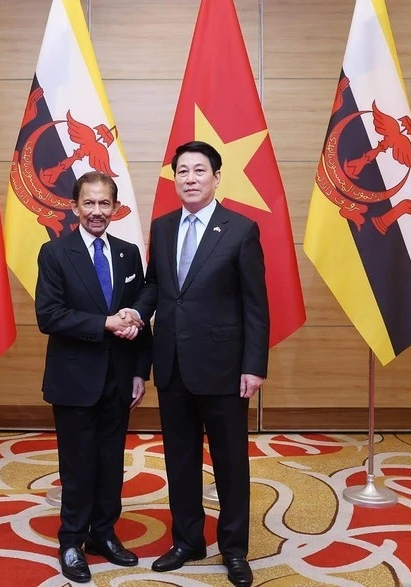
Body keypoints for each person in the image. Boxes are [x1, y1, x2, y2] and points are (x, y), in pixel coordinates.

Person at [132, 141, 269, 587]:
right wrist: (135, 312)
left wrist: (254, 365)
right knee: (180, 459)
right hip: (171, 363)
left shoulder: (241, 229)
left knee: (231, 463)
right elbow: (156, 288)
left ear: (216, 177)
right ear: (175, 179)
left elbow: (255, 306)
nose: (189, 178)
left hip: (225, 368)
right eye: (182, 171)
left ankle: (234, 549)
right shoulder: (164, 226)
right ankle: (188, 540)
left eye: (198, 171)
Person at [35, 171, 150, 584]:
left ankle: (103, 533)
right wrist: (104, 323)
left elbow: (139, 314)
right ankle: (71, 540)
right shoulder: (55, 253)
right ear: (75, 206)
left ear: (115, 208)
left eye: (105, 204)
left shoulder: (128, 253)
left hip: (119, 379)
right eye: (89, 203)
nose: (97, 212)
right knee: (78, 465)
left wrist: (140, 372)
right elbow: (49, 316)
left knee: (110, 463)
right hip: (74, 380)